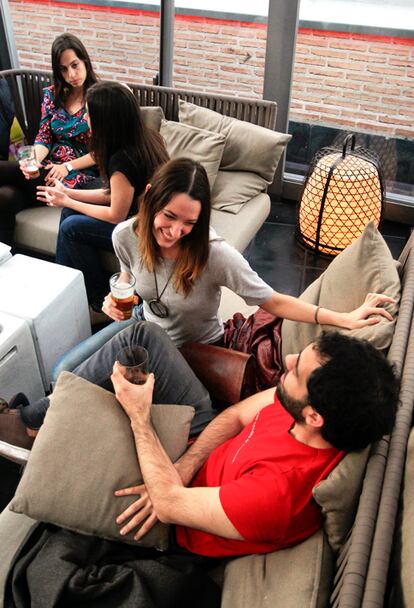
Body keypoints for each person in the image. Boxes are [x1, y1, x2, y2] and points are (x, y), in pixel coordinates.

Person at [2, 324, 399, 607]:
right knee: (144, 335)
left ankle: (32, 433)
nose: (288, 359)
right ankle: (30, 423)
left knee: (48, 577)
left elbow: (170, 504)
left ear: (315, 417)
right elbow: (236, 417)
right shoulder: (302, 409)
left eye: (297, 369)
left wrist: (140, 416)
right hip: (196, 456)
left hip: (175, 524)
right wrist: (188, 462)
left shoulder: (276, 495)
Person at [51, 157, 396, 380]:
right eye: (169, 216)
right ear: (151, 197)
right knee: (63, 371)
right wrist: (115, 300)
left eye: (189, 223)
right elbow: (127, 278)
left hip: (193, 351)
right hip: (143, 325)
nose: (174, 232)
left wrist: (343, 318)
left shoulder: (214, 255)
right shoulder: (125, 236)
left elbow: (273, 301)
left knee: (92, 382)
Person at [36, 81, 169, 312]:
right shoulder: (146, 137)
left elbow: (115, 214)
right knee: (69, 213)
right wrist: (68, 193)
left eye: (89, 113)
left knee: (71, 227)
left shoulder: (122, 159)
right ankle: (66, 288)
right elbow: (114, 194)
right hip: (144, 217)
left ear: (106, 120)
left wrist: (67, 200)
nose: (85, 118)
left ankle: (97, 300)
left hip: (146, 233)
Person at [0, 33, 99, 245]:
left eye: (75, 65)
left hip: (78, 176)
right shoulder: (51, 95)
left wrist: (68, 167)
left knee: (5, 172)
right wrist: (33, 160)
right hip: (47, 170)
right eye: (63, 69)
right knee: (5, 197)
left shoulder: (100, 96)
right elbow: (43, 137)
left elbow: (102, 151)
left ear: (85, 61)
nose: (71, 74)